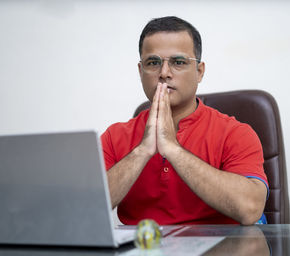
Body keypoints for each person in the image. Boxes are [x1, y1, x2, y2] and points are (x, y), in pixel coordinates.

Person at [101, 16, 268, 225]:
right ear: (140, 71)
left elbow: (250, 209)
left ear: (199, 72)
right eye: (153, 63)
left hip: (221, 253)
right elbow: (83, 208)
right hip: (142, 252)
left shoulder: (235, 133)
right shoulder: (113, 137)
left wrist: (173, 149)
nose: (164, 73)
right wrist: (142, 151)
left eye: (178, 62)